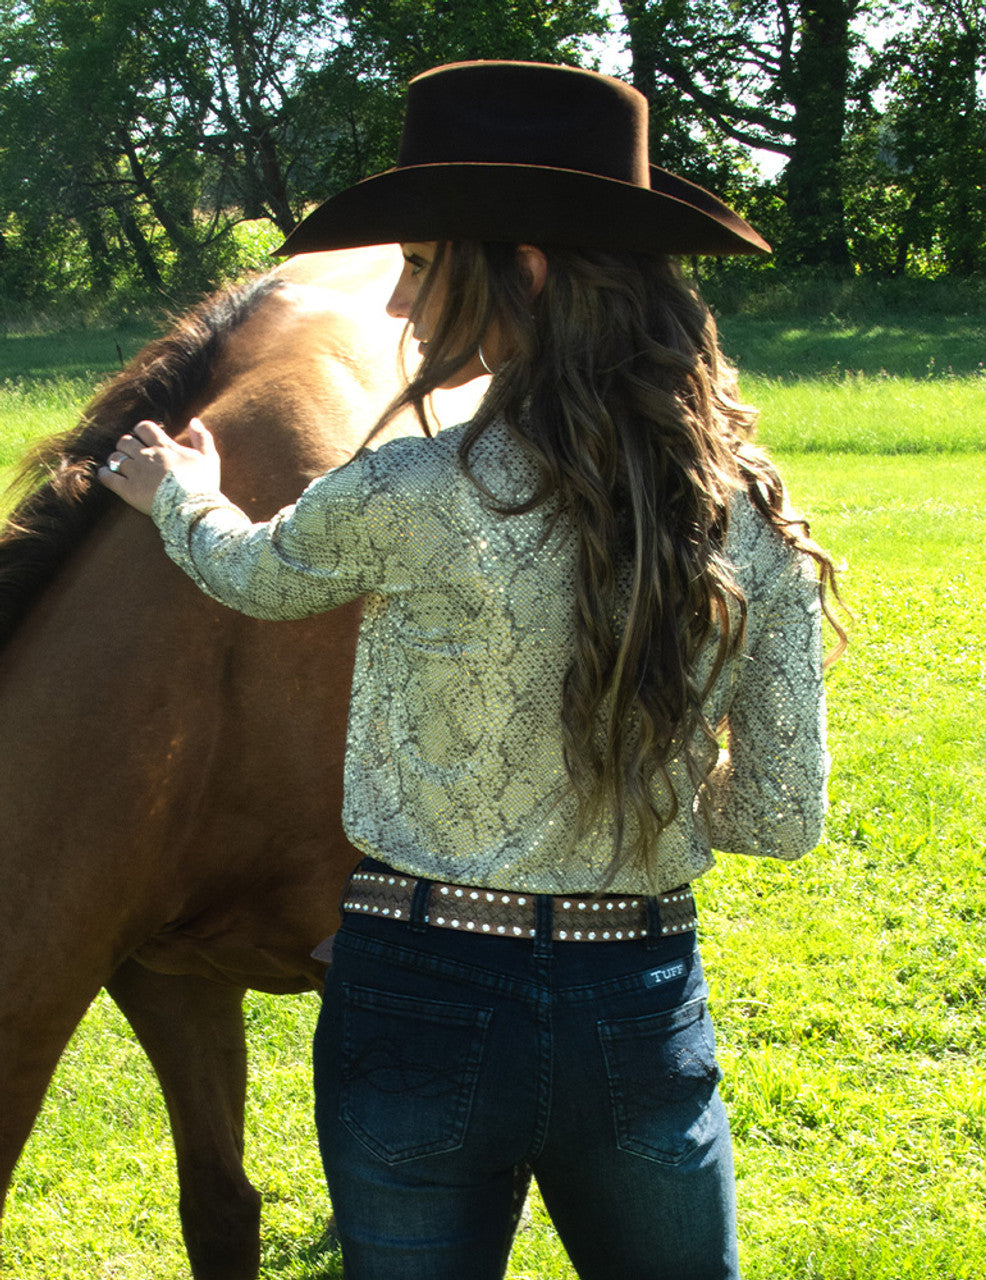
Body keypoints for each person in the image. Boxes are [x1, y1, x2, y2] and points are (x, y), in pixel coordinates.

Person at [99, 60, 843, 1280]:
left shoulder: (407, 492)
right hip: (635, 996)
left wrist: (177, 493)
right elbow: (777, 818)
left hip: (415, 988)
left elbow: (252, 574)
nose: (395, 299)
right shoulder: (751, 525)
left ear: (526, 269)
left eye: (424, 261)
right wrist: (648, 782)